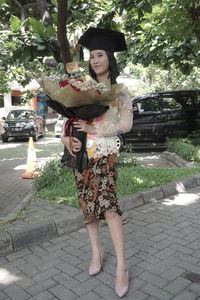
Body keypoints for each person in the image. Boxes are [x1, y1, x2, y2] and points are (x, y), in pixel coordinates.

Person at [61, 27, 133, 297]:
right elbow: (67, 121)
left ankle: (122, 266)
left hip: (105, 155)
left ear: (110, 58)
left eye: (100, 55)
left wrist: (96, 130)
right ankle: (97, 252)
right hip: (81, 157)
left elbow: (126, 124)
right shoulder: (82, 87)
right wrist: (67, 140)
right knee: (88, 208)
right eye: (92, 56)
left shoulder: (120, 90)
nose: (95, 60)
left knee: (110, 209)